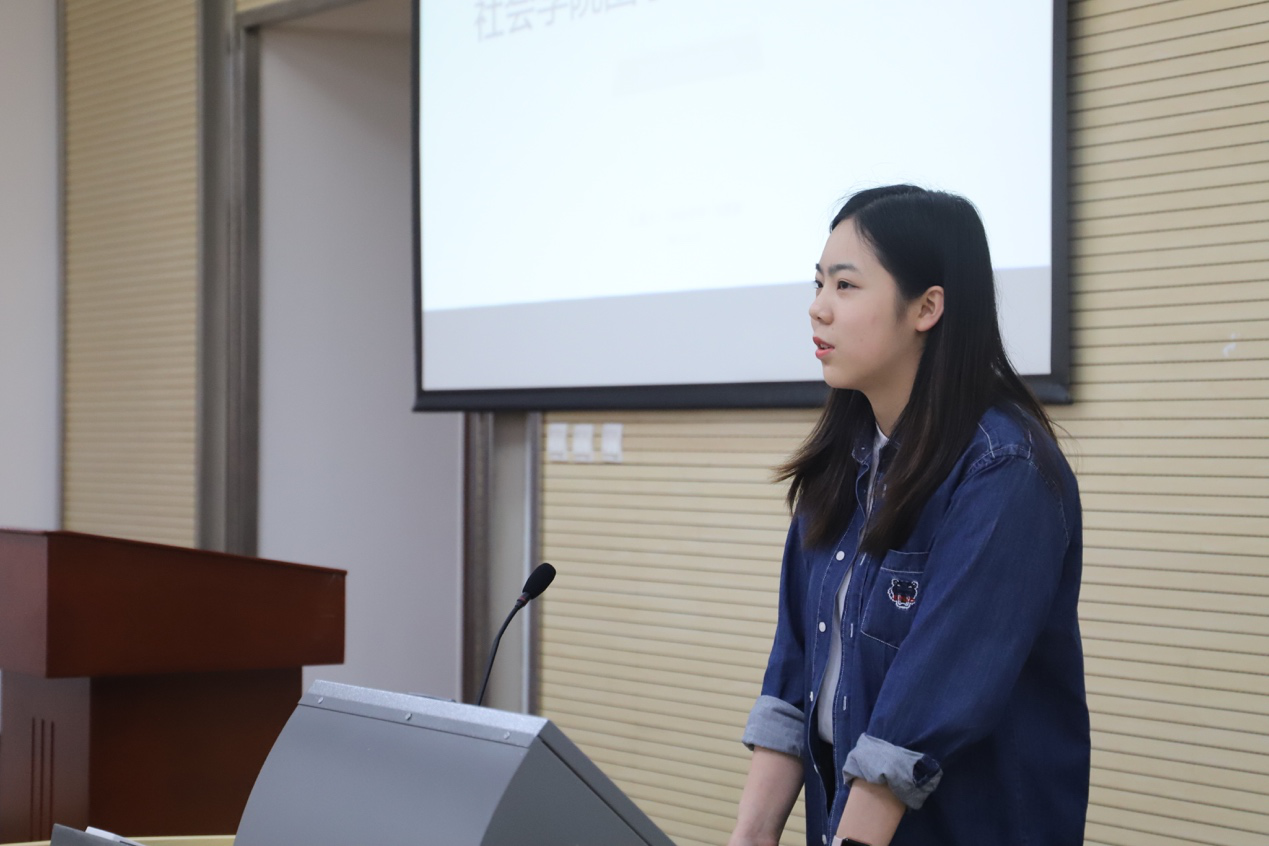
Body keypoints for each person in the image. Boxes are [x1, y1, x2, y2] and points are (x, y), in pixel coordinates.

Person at [728, 185, 1089, 846]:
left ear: (926, 307)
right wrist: (748, 838)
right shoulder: (844, 462)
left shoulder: (1004, 471)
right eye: (818, 283)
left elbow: (919, 720)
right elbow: (793, 677)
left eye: (845, 286)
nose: (817, 308)